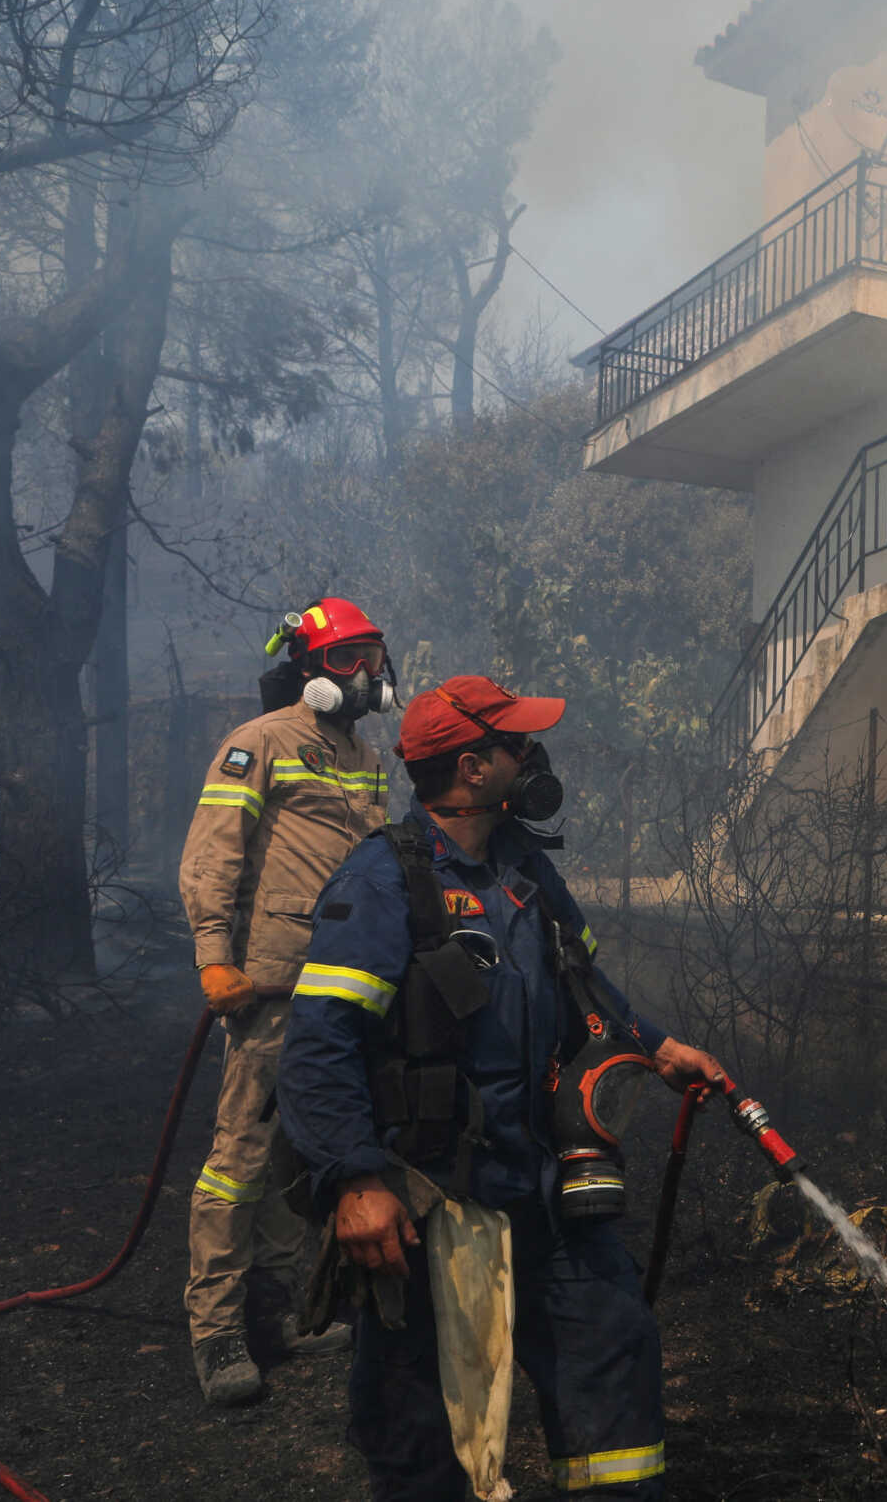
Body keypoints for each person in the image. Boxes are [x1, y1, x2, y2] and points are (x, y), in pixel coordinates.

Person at [279, 675, 728, 1501]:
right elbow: (317, 1045)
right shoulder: (383, 883)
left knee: (614, 1352)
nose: (533, 757)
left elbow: (585, 986)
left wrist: (660, 1046)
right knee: (426, 1432)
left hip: (545, 1185)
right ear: (475, 770)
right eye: (516, 743)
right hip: (434, 1204)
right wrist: (354, 1178)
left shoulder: (524, 869)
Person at [178, 596, 396, 1407]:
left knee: (300, 1154)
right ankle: (218, 1331)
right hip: (269, 984)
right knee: (240, 1159)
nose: (366, 675)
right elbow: (212, 856)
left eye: (373, 657)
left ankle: (281, 1313)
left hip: (342, 984)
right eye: (348, 660)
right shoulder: (258, 743)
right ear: (307, 670)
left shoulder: (365, 757)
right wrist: (213, 956)